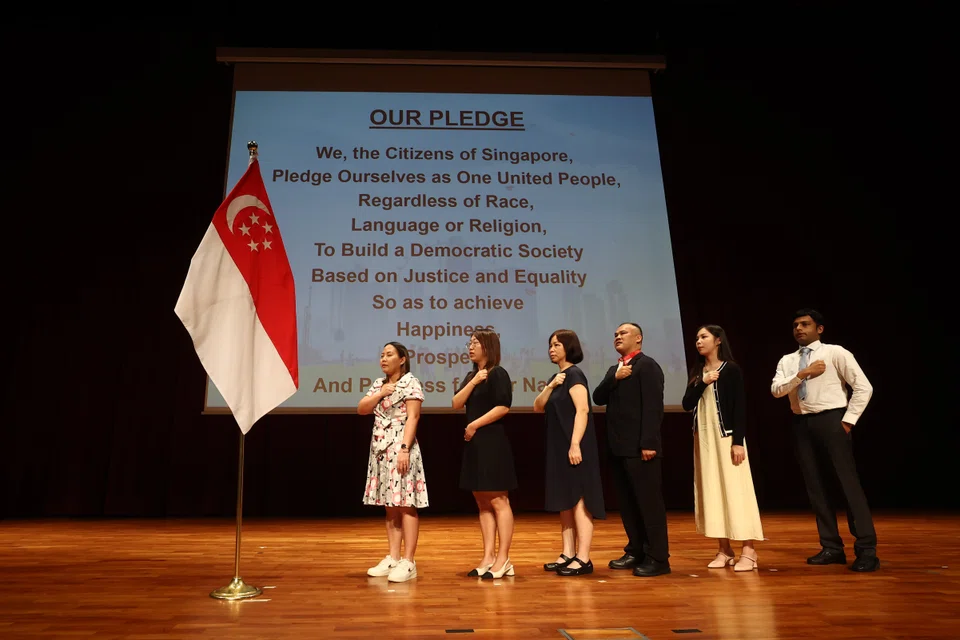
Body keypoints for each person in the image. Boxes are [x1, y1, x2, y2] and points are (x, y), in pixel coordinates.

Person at [771, 309, 879, 572]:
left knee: (847, 484)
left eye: (805, 324)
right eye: (795, 325)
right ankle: (831, 546)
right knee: (815, 486)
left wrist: (848, 420)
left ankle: (866, 550)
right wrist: (803, 373)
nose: (799, 329)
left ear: (819, 329)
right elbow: (776, 390)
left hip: (832, 420)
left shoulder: (835, 353)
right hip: (801, 423)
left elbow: (864, 387)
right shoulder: (788, 360)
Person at [682, 324, 763, 571]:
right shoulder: (698, 372)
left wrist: (738, 441)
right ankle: (724, 548)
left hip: (726, 438)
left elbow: (740, 407)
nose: (698, 341)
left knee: (736, 490)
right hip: (704, 440)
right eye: (697, 337)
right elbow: (687, 404)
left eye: (704, 336)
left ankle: (748, 550)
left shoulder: (731, 370)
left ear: (718, 340)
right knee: (713, 490)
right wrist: (702, 382)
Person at [593, 322, 670, 577]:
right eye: (615, 334)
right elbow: (598, 397)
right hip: (619, 448)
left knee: (649, 504)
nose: (617, 336)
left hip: (641, 448)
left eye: (623, 333)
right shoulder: (616, 368)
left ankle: (658, 558)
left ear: (638, 339)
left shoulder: (647, 366)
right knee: (627, 504)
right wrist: (614, 377)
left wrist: (648, 442)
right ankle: (635, 550)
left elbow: (653, 407)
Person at [533, 329, 606, 576]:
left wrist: (575, 444)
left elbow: (583, 410)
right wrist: (550, 386)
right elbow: (537, 406)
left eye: (556, 345)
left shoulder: (575, 375)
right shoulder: (558, 377)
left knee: (579, 499)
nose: (551, 349)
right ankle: (568, 552)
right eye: (550, 345)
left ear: (568, 347)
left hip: (575, 446)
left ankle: (583, 557)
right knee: (565, 499)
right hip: (559, 447)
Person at [357, 342, 427, 583]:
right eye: (381, 355)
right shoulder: (379, 384)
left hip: (401, 447)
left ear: (402, 359)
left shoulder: (411, 383)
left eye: (389, 355)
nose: (383, 359)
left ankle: (409, 561)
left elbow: (413, 417)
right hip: (380, 448)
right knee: (390, 504)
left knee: (406, 503)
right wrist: (380, 394)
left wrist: (404, 449)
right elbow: (362, 409)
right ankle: (393, 557)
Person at [452, 329, 517, 579]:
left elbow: (503, 407)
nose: (470, 347)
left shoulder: (498, 373)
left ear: (488, 347)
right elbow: (457, 403)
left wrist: (474, 424)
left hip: (492, 442)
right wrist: (473, 381)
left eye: (476, 343)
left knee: (499, 500)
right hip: (475, 444)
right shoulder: (473, 375)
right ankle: (488, 556)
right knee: (481, 501)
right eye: (469, 343)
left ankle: (504, 558)